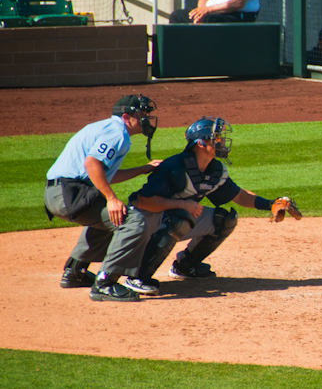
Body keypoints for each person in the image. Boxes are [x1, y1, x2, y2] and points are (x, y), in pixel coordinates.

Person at [132, 117, 300, 286]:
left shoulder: (214, 170)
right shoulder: (174, 167)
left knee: (223, 220)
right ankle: (139, 277)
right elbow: (143, 202)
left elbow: (239, 196)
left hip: (174, 220)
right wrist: (181, 205)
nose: (222, 142)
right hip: (144, 223)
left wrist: (269, 204)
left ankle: (185, 266)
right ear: (201, 143)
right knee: (179, 218)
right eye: (216, 138)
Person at [43, 95, 161, 302]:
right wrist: (111, 198)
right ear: (126, 117)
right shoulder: (117, 133)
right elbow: (92, 164)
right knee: (133, 221)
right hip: (70, 193)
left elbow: (104, 174)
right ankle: (106, 283)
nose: (146, 118)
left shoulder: (105, 127)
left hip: (58, 193)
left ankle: (75, 272)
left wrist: (144, 169)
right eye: (141, 114)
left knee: (112, 219)